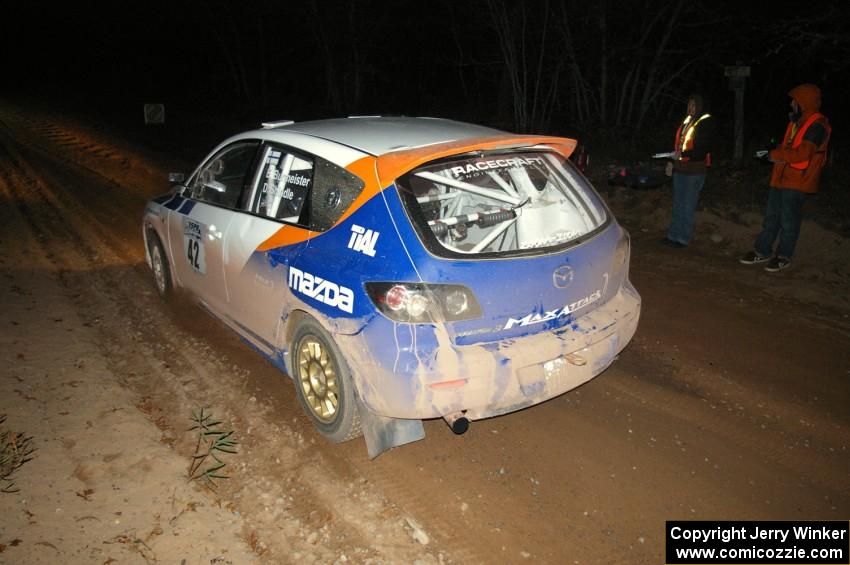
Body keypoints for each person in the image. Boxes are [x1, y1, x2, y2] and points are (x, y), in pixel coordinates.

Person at [740, 84, 830, 272]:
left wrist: (774, 155)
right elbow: (787, 149)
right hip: (782, 178)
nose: (791, 103)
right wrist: (771, 153)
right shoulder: (796, 122)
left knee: (789, 221)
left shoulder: (816, 125)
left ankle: (784, 256)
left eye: (794, 100)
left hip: (797, 181)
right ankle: (762, 251)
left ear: (803, 102)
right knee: (771, 217)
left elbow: (803, 154)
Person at [663, 94, 715, 248]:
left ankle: (683, 239)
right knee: (678, 204)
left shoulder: (705, 123)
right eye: (689, 105)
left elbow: (701, 150)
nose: (690, 108)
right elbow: (679, 146)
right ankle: (673, 236)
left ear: (699, 106)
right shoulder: (687, 121)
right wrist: (671, 161)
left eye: (693, 105)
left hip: (695, 171)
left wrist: (682, 155)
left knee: (688, 206)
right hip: (680, 169)